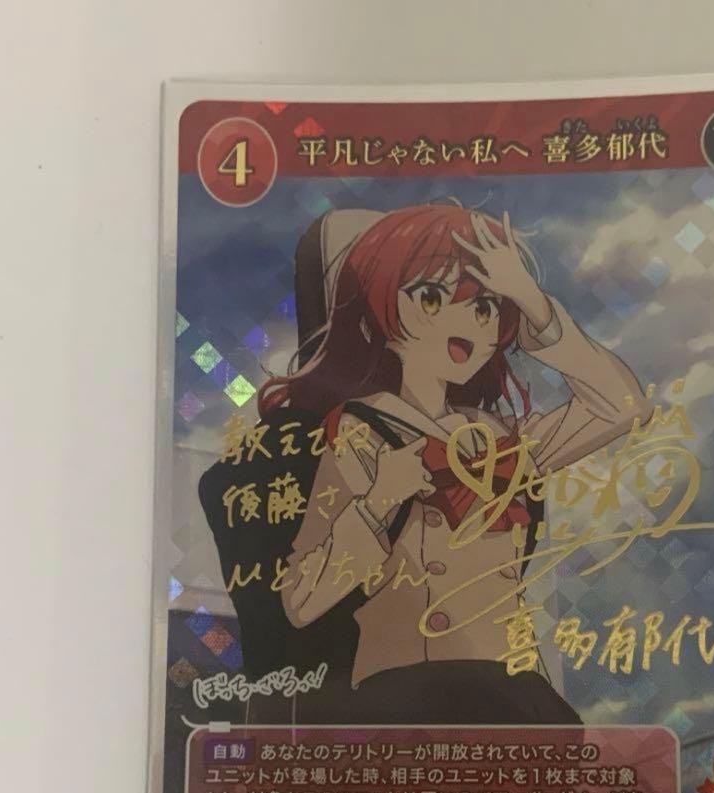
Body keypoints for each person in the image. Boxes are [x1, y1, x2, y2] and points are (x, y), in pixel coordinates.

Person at [256, 202, 652, 724]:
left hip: (515, 692)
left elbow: (623, 405)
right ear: (379, 310)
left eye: (486, 305)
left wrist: (536, 306)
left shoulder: (505, 441)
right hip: (409, 692)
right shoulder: (361, 431)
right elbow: (302, 599)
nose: (467, 319)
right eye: (431, 297)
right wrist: (377, 503)